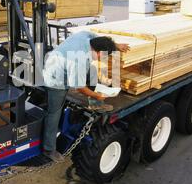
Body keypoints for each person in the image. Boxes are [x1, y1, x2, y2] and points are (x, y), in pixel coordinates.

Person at [42, 31, 129, 162]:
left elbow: (98, 38)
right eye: (105, 56)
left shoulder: (84, 36)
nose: (103, 59)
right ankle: (49, 149)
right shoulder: (79, 61)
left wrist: (115, 45)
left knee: (93, 73)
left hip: (60, 61)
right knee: (54, 112)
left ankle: (94, 104)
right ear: (100, 53)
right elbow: (79, 87)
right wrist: (97, 95)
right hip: (56, 77)